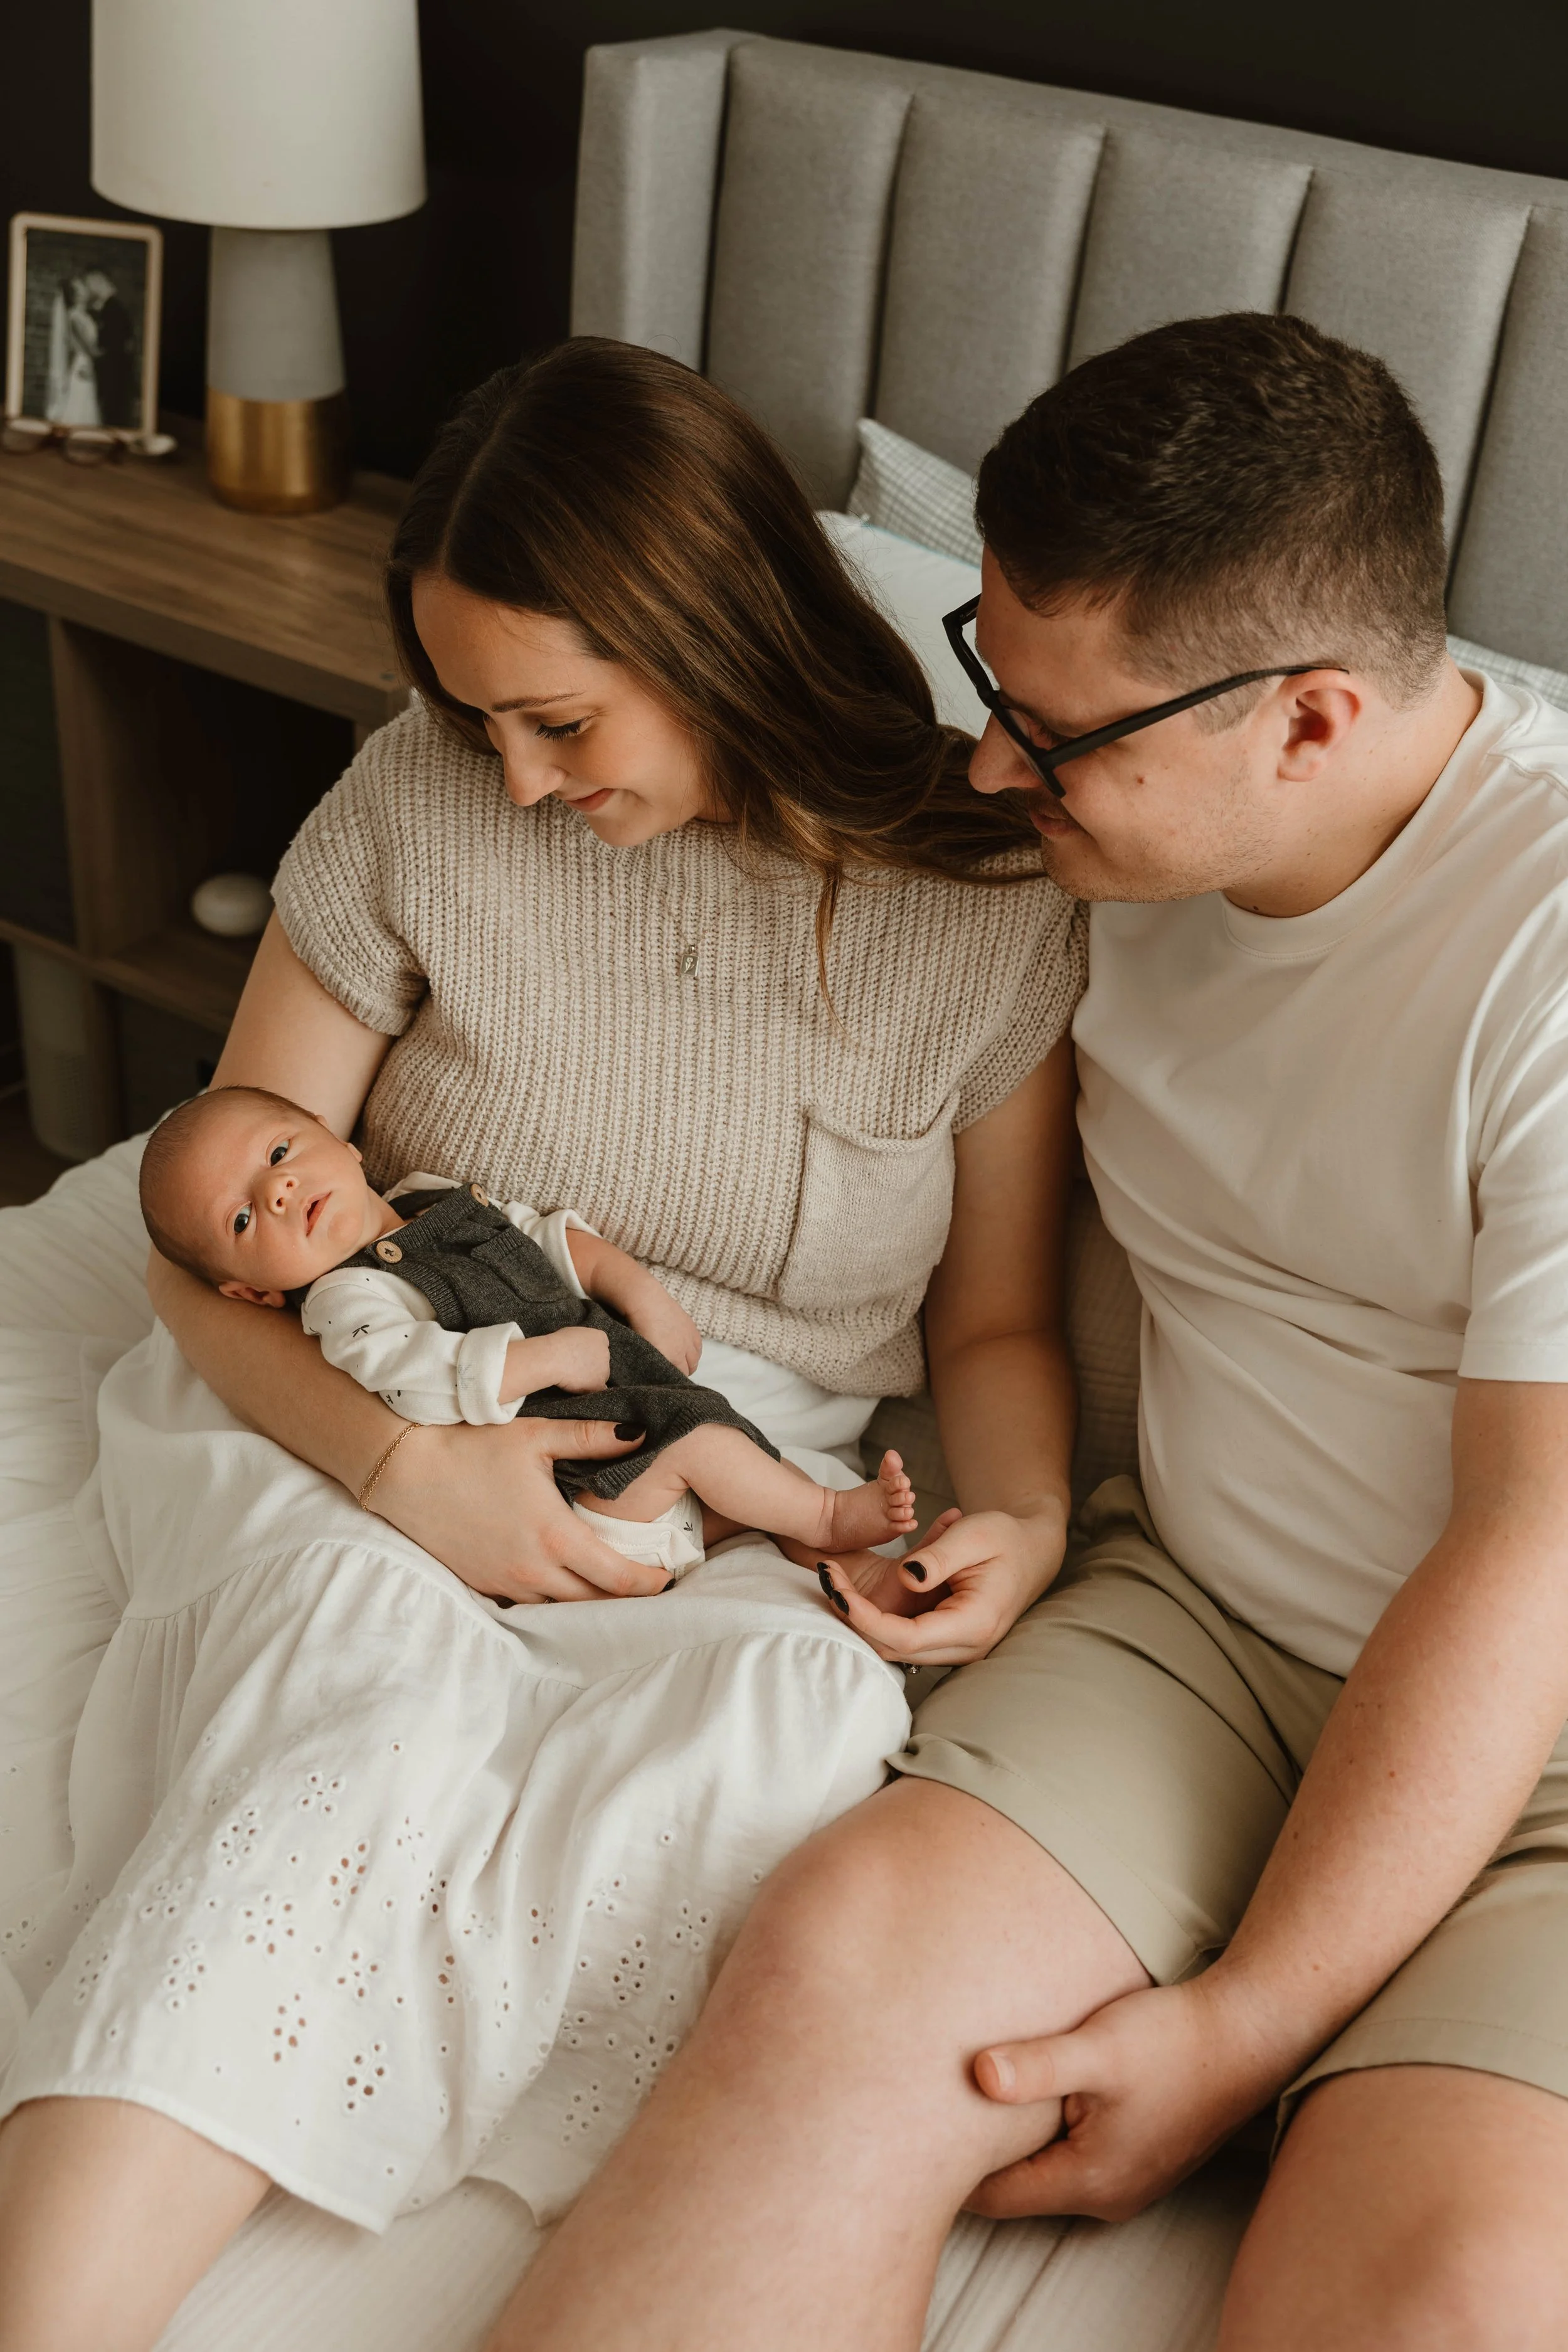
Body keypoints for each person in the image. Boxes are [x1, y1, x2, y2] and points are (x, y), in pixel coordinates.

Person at [495, 313, 1568, 2352]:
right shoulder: (1080, 847)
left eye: (1057, 732)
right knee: (832, 1981)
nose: (995, 763)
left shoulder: (1550, 960)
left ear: (1313, 721)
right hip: (1200, 1628)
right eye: (991, 670)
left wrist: (1247, 2027)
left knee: (1456, 2296)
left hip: (1548, 1723)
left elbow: (1534, 1552)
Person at [0, 339, 1083, 2349]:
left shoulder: (986, 893)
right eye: (473, 716)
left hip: (708, 1472)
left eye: (555, 717)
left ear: (716, 633)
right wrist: (405, 1466)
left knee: (776, 1737)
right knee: (364, 1708)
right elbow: (202, 1226)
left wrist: (1014, 1509)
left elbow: (998, 1320)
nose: (510, 774)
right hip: (358, 1372)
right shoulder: (423, 795)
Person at [137, 1083, 918, 1579]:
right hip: (579, 1487)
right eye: (242, 1217)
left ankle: (841, 1562)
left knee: (734, 1452)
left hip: (627, 1407)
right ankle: (825, 1515)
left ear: (338, 1139)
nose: (277, 1189)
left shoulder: (427, 1199)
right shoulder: (344, 1300)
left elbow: (538, 1238)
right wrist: (543, 1355)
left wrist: (633, 1285)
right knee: (708, 1445)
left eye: (280, 1153)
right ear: (252, 1292)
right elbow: (418, 1376)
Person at [43, 274, 100, 426]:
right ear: (76, 295)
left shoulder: (84, 315)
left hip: (87, 362)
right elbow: (88, 347)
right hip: (84, 363)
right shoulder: (74, 317)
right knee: (82, 399)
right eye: (80, 288)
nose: (85, 290)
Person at [85, 268, 137, 432]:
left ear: (99, 280)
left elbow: (112, 345)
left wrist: (96, 356)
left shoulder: (113, 309)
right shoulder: (112, 307)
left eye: (90, 284)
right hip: (116, 371)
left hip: (113, 373)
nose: (89, 289)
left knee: (113, 414)